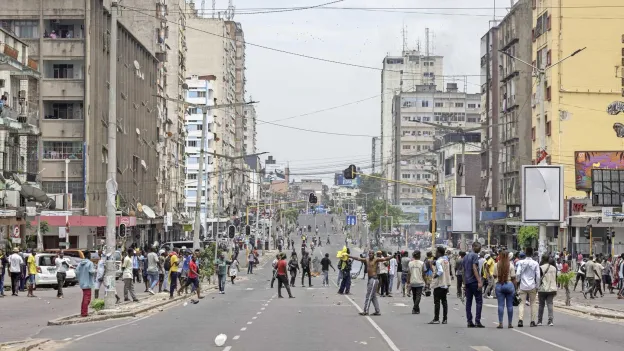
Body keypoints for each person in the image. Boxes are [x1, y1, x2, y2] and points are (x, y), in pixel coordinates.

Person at [349, 250, 392, 316]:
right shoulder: (366, 259)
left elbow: (386, 259)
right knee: (373, 296)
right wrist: (349, 256)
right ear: (368, 254)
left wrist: (393, 256)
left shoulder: (376, 259)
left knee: (368, 296)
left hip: (374, 279)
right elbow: (358, 258)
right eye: (370, 253)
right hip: (370, 279)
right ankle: (377, 311)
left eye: (372, 253)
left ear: (374, 254)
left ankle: (365, 311)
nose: (371, 254)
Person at [515, 247, 540, 327]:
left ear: (525, 253)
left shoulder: (520, 262)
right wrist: (537, 286)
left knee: (522, 303)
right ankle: (532, 321)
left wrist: (518, 281)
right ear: (532, 253)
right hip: (532, 285)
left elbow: (518, 274)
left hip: (523, 286)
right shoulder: (535, 263)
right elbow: (538, 276)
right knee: (533, 303)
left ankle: (520, 320)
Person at [463, 242, 485, 328]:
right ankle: (477, 321)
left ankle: (469, 321)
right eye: (478, 247)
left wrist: (464, 283)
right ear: (473, 247)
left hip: (468, 282)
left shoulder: (465, 257)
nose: (479, 249)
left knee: (468, 302)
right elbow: (474, 268)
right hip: (474, 282)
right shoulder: (475, 255)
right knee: (479, 301)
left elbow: (463, 271)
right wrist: (479, 281)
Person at [493, 250, 516, 329]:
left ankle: (500, 323)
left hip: (499, 285)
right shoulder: (511, 265)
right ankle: (510, 323)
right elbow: (513, 278)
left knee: (500, 305)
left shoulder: (496, 265)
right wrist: (515, 288)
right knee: (510, 306)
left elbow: (494, 275)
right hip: (509, 285)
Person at [429, 246, 451, 324]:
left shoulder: (438, 261)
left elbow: (440, 271)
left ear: (439, 252)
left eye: (436, 252)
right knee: (444, 302)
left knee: (437, 302)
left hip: (439, 284)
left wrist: (436, 275)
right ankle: (445, 319)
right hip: (445, 284)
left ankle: (436, 319)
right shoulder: (446, 261)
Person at [537, 253, 557, 326]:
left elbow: (538, 278)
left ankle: (539, 321)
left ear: (542, 259)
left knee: (541, 305)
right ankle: (550, 321)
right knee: (550, 304)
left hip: (542, 289)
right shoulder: (554, 268)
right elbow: (555, 278)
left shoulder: (540, 267)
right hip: (551, 288)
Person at [76, 252, 95, 317]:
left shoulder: (80, 264)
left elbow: (77, 272)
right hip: (88, 283)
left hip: (82, 282)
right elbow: (92, 272)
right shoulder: (90, 263)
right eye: (90, 255)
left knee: (85, 298)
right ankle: (84, 313)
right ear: (88, 255)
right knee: (87, 299)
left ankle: (83, 311)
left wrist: (80, 278)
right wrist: (95, 270)